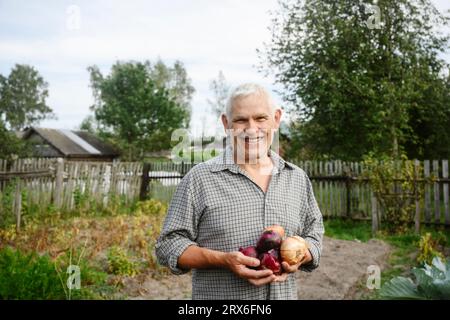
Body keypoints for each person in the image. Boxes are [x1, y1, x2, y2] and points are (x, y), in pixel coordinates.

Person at [156, 83, 324, 299]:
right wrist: (223, 260)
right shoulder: (200, 179)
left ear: (277, 118)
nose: (252, 128)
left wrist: (303, 255)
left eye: (261, 118)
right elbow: (168, 245)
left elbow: (314, 232)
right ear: (226, 123)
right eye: (241, 120)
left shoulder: (296, 178)